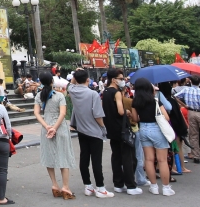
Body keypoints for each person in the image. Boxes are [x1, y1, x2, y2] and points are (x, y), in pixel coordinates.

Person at [68, 68, 114, 198]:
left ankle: (88, 185)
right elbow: (98, 115)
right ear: (88, 80)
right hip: (94, 130)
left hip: (81, 129)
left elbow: (71, 84)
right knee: (96, 160)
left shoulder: (73, 91)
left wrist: (76, 74)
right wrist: (103, 127)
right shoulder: (93, 94)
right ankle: (100, 187)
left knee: (84, 158)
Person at [34, 72, 76, 199]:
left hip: (46, 128)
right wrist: (55, 127)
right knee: (64, 156)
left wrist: (47, 126)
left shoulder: (39, 96)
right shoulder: (59, 95)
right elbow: (62, 113)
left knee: (49, 155)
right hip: (60, 127)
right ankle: (65, 187)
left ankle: (54, 184)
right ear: (52, 82)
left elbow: (36, 113)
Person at [130, 78, 175, 196]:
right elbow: (166, 117)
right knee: (162, 160)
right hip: (156, 129)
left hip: (143, 129)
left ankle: (154, 186)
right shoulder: (155, 101)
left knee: (149, 160)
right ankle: (166, 188)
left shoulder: (135, 102)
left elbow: (135, 119)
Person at [101, 68, 141, 195]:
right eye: (121, 79)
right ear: (114, 80)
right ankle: (130, 185)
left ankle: (118, 184)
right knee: (128, 157)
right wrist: (127, 111)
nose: (123, 81)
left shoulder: (105, 92)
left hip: (111, 128)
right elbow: (120, 111)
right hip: (121, 128)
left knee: (116, 156)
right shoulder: (116, 92)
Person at [176, 78, 200, 164]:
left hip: (191, 112)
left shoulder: (186, 90)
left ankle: (196, 156)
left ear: (190, 81)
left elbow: (175, 96)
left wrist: (184, 105)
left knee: (193, 135)